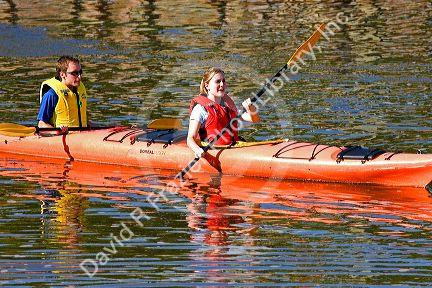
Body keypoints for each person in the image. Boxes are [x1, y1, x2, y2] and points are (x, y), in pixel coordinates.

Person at [187, 67, 260, 157]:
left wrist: (251, 109)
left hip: (233, 148)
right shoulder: (200, 109)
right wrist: (198, 150)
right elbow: (190, 139)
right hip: (213, 151)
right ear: (207, 85)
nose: (222, 84)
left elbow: (255, 119)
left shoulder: (228, 106)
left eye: (223, 81)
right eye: (218, 81)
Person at [37, 55, 88, 132]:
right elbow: (41, 124)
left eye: (80, 72)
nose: (79, 77)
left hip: (81, 136)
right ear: (62, 74)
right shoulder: (51, 94)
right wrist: (57, 131)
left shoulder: (80, 90)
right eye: (75, 73)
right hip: (61, 138)